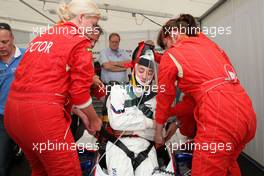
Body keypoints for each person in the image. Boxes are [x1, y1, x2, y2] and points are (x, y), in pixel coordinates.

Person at [4, 0, 102, 175]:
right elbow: (79, 93)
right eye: (93, 24)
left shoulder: (44, 36)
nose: (94, 29)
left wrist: (80, 113)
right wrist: (94, 119)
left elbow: (45, 82)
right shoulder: (79, 41)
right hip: (42, 118)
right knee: (67, 171)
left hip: (13, 116)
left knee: (40, 170)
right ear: (81, 18)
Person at [154, 14, 256, 176]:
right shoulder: (208, 44)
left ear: (171, 35)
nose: (166, 49)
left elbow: (164, 98)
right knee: (228, 164)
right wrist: (176, 120)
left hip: (220, 117)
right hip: (246, 113)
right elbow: (194, 101)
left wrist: (158, 132)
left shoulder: (171, 54)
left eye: (165, 44)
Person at [105, 43, 158, 176]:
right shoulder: (118, 90)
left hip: (146, 146)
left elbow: (158, 132)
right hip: (119, 145)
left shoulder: (157, 97)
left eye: (150, 72)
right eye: (141, 70)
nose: (145, 76)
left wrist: (129, 126)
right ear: (133, 69)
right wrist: (150, 123)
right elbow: (116, 123)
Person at [0, 23, 26, 176]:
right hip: (2, 118)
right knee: (1, 161)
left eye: (4, 42)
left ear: (12, 39)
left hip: (26, 116)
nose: (1, 46)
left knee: (33, 158)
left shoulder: (28, 55)